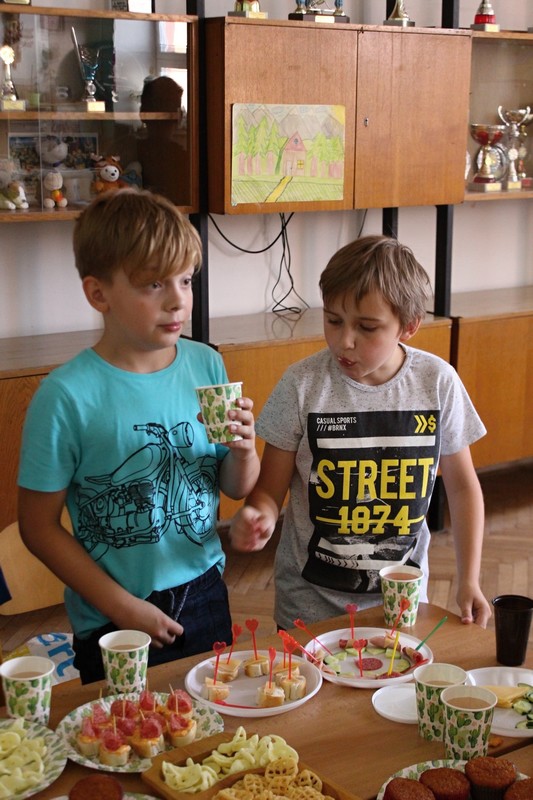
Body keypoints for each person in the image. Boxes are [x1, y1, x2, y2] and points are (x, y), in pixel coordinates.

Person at [17, 189, 260, 684]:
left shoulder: (206, 363)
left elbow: (234, 487)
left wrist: (244, 451)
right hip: (115, 613)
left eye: (186, 280)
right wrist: (122, 607)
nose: (178, 299)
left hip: (206, 591)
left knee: (213, 718)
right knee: (123, 724)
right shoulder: (65, 395)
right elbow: (37, 528)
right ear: (98, 294)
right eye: (153, 283)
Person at [230, 235, 492, 630]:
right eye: (333, 320)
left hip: (400, 602)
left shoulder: (437, 382)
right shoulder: (301, 384)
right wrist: (258, 517)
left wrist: (469, 579)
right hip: (309, 606)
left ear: (409, 326)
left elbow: (462, 487)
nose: (344, 341)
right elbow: (268, 490)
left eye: (367, 327)